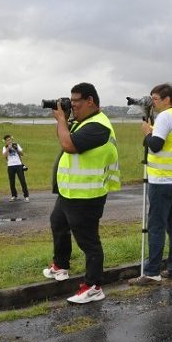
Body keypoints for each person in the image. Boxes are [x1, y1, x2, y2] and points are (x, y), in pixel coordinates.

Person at [42, 83, 120, 303]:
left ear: (90, 101)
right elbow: (65, 136)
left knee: (88, 242)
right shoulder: (83, 122)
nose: (72, 105)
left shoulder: (99, 126)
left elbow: (68, 144)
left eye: (75, 101)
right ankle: (61, 266)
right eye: (71, 101)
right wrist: (64, 120)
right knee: (57, 224)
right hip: (70, 192)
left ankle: (94, 286)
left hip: (86, 195)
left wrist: (60, 121)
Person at [129, 83, 172, 285]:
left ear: (167, 99)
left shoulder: (164, 116)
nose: (152, 102)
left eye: (155, 99)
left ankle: (152, 272)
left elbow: (155, 145)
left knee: (156, 226)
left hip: (162, 180)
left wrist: (147, 132)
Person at [2, 134, 30, 202]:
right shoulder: (4, 147)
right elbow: (4, 156)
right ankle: (14, 195)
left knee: (22, 181)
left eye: (10, 140)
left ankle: (26, 196)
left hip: (18, 165)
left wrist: (16, 149)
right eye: (7, 140)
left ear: (12, 140)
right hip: (10, 165)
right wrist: (8, 148)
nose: (9, 141)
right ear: (5, 141)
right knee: (12, 182)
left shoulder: (16, 145)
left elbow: (22, 154)